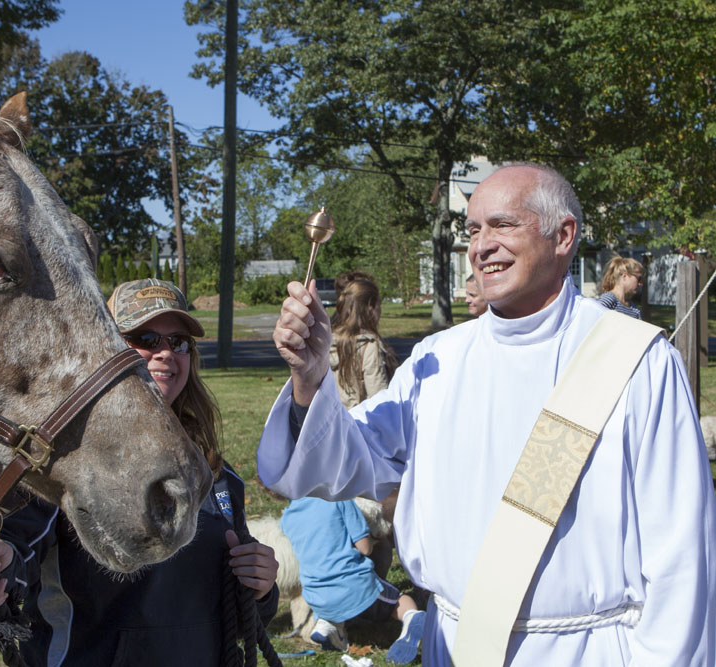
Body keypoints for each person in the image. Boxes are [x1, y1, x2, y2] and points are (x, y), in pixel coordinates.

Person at [259, 163, 716, 665]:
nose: (480, 246)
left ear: (563, 236)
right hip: (456, 643)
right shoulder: (438, 359)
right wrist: (309, 378)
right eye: (474, 230)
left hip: (588, 651)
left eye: (502, 225)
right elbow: (343, 464)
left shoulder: (637, 361)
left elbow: (682, 556)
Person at [0, 278, 279, 666]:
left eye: (179, 342)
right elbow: (0, 551)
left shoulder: (213, 475)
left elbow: (237, 619)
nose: (165, 354)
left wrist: (261, 586)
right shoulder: (63, 462)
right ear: (106, 348)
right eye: (145, 338)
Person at [281, 496, 425, 663]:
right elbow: (365, 548)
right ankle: (412, 618)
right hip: (354, 586)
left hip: (317, 597)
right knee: (399, 600)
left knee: (332, 597)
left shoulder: (287, 517)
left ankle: (328, 626)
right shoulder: (339, 500)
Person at [329, 277, 399, 409]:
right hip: (360, 425)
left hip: (332, 423)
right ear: (370, 308)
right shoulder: (369, 346)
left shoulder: (327, 342)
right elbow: (379, 401)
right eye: (379, 305)